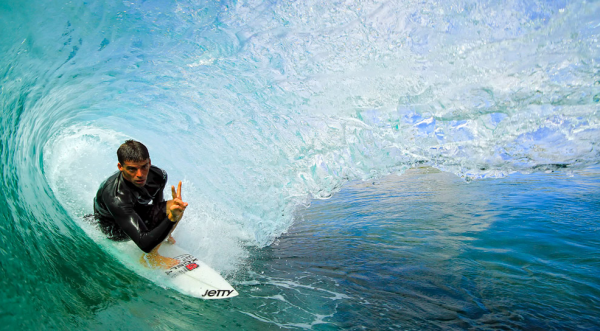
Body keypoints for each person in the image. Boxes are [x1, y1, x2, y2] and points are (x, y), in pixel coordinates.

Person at [93, 140, 188, 269]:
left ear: (149, 162)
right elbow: (144, 245)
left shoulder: (159, 175)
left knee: (175, 206)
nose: (140, 174)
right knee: (170, 216)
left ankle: (161, 241)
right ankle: (152, 258)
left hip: (136, 211)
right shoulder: (116, 197)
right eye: (132, 169)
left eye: (144, 166)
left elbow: (158, 204)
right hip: (114, 227)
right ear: (120, 167)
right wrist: (170, 220)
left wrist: (167, 229)